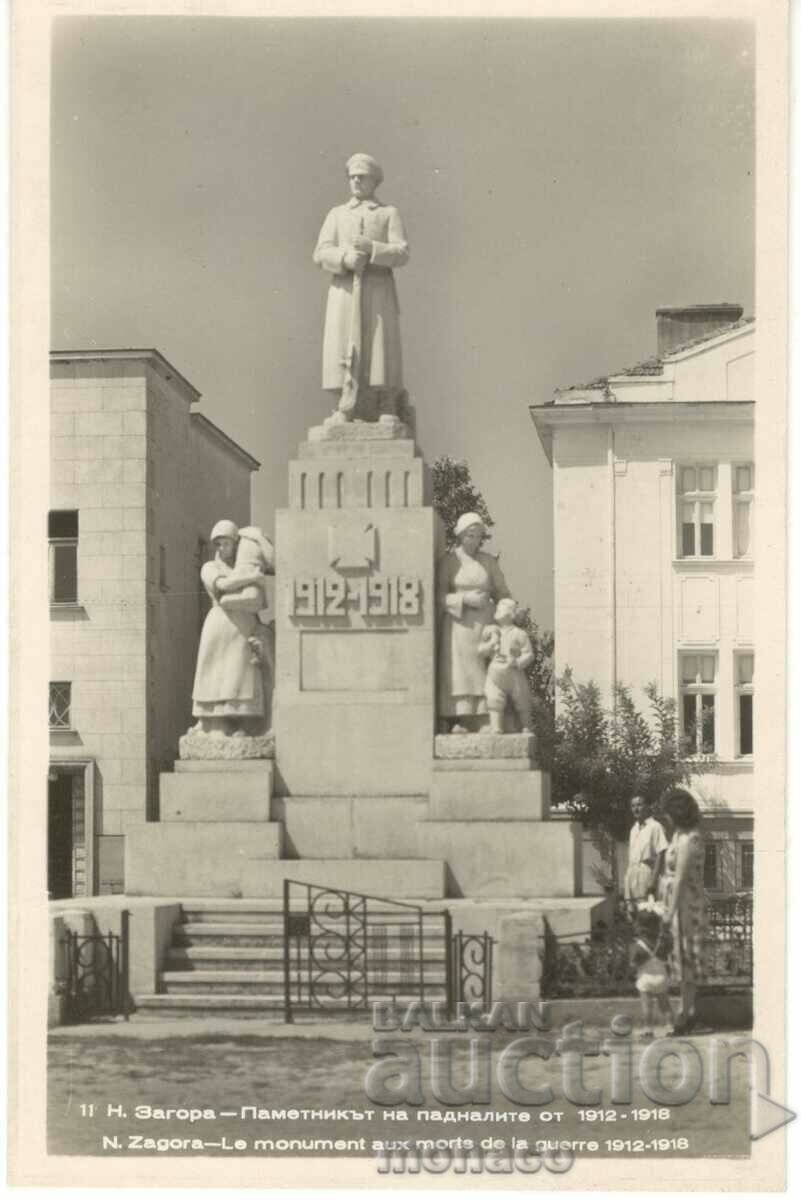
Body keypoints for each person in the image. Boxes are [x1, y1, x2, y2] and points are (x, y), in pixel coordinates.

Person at [313, 153, 409, 421]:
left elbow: (402, 253)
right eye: (352, 176)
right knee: (341, 344)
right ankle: (343, 406)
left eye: (362, 176)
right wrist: (345, 258)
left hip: (377, 289)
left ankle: (386, 404)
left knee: (380, 346)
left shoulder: (388, 213)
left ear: (374, 181)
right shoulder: (337, 214)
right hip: (344, 289)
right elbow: (321, 252)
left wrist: (373, 249)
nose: (356, 180)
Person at [191, 520, 273, 735]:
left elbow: (275, 561)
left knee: (241, 672)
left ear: (236, 543)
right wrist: (253, 577)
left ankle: (242, 724)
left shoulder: (244, 563)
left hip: (245, 624)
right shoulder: (210, 567)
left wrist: (257, 538)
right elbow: (223, 585)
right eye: (217, 544)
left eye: (226, 543)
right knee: (215, 674)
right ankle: (211, 724)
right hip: (220, 623)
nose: (221, 548)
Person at [437, 513, 511, 732]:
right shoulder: (450, 562)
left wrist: (507, 611)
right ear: (461, 535)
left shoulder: (488, 561)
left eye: (479, 536)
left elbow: (503, 592)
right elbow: (439, 596)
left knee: (483, 669)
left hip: (485, 625)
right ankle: (459, 718)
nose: (474, 540)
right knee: (460, 672)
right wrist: (464, 599)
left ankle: (484, 716)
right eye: (470, 535)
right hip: (458, 626)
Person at [659, 787, 708, 1035]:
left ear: (677, 813)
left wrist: (669, 913)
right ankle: (685, 1013)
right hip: (677, 904)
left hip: (686, 908)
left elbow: (679, 878)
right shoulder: (678, 835)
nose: (665, 817)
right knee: (678, 959)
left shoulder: (690, 839)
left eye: (668, 812)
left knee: (686, 958)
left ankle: (685, 1015)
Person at [478, 598, 534, 734]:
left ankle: (526, 725)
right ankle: (496, 726)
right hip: (495, 672)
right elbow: (481, 650)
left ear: (511, 614)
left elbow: (529, 654)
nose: (497, 611)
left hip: (513, 672)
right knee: (493, 697)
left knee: (522, 698)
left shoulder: (519, 634)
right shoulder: (491, 631)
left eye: (500, 608)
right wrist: (491, 643)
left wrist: (517, 662)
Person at [631, 899, 674, 1040]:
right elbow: (668, 951)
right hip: (661, 977)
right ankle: (669, 1027)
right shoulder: (662, 942)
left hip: (645, 978)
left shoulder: (639, 945)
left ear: (640, 926)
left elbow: (635, 961)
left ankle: (648, 1029)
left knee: (647, 1006)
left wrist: (635, 964)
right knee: (665, 1004)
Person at [624, 795, 668, 905]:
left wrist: (653, 880)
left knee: (647, 913)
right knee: (631, 914)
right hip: (632, 874)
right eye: (633, 806)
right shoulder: (633, 829)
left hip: (647, 874)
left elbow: (661, 853)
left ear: (647, 807)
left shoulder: (655, 826)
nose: (636, 809)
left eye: (639, 805)